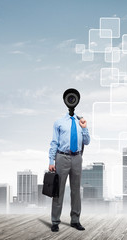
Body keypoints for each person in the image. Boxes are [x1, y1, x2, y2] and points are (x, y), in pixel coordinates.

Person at [48, 89, 90, 232]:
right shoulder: (59, 122)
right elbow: (54, 142)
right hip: (62, 157)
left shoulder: (81, 122)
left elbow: (87, 141)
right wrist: (51, 161)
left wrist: (85, 128)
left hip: (77, 158)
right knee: (58, 191)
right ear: (66, 100)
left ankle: (75, 220)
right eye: (70, 98)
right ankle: (55, 221)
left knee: (76, 191)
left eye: (74, 98)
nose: (72, 100)